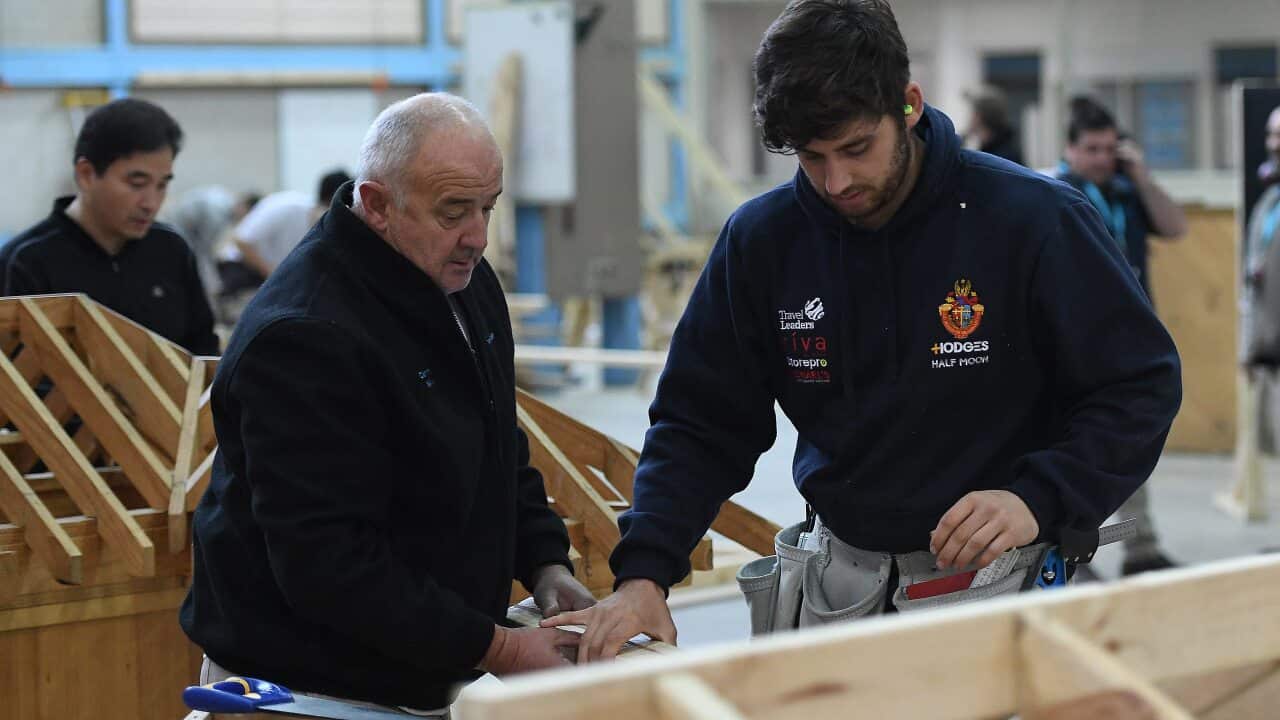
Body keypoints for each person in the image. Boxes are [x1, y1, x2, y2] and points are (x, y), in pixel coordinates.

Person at [543, 0, 1181, 660]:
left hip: (1003, 585)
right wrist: (646, 571)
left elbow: (1138, 386)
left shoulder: (1031, 222)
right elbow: (700, 423)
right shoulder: (763, 243)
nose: (836, 181)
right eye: (811, 158)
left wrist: (1040, 496)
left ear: (907, 103)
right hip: (837, 590)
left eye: (855, 148)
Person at [179, 94, 592, 714]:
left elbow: (496, 444)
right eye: (454, 211)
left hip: (415, 678)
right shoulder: (305, 337)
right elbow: (329, 565)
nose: (478, 237)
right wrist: (500, 649)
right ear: (376, 205)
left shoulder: (462, 281)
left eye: (488, 207)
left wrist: (545, 563)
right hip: (308, 693)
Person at [1052, 96, 1188, 575]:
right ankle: (1070, 553)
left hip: (1127, 345)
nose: (1103, 158)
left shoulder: (1128, 192)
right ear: (1070, 149)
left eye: (1111, 149)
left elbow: (1176, 228)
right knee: (1075, 449)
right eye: (1092, 149)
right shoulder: (1053, 196)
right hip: (1073, 347)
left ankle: (1141, 549)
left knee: (1129, 445)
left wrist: (1143, 176)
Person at [0, 98, 218, 355]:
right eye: (137, 183)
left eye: (162, 185)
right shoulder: (26, 261)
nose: (151, 203)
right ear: (86, 174)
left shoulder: (172, 250)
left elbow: (204, 350)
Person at [1238, 106, 1280, 487]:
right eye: (1272, 135)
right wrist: (1247, 347)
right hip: (1270, 352)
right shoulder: (1268, 204)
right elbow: (1254, 283)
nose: (1276, 145)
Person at [230, 168, 351, 280]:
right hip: (241, 266)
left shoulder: (325, 229)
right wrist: (273, 275)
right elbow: (241, 241)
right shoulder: (287, 207)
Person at [964, 84, 1024, 165]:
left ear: (979, 116)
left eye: (973, 112)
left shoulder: (999, 156)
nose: (970, 118)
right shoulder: (999, 148)